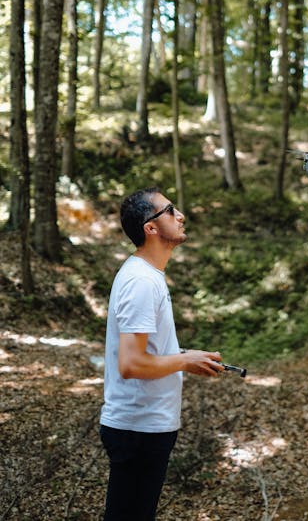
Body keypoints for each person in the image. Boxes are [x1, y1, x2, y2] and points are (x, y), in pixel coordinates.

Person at [100, 186, 223, 521]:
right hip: (138, 428)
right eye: (170, 210)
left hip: (144, 427)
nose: (180, 215)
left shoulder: (147, 276)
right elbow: (131, 363)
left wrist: (184, 354)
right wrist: (185, 361)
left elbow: (146, 351)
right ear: (150, 228)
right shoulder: (142, 281)